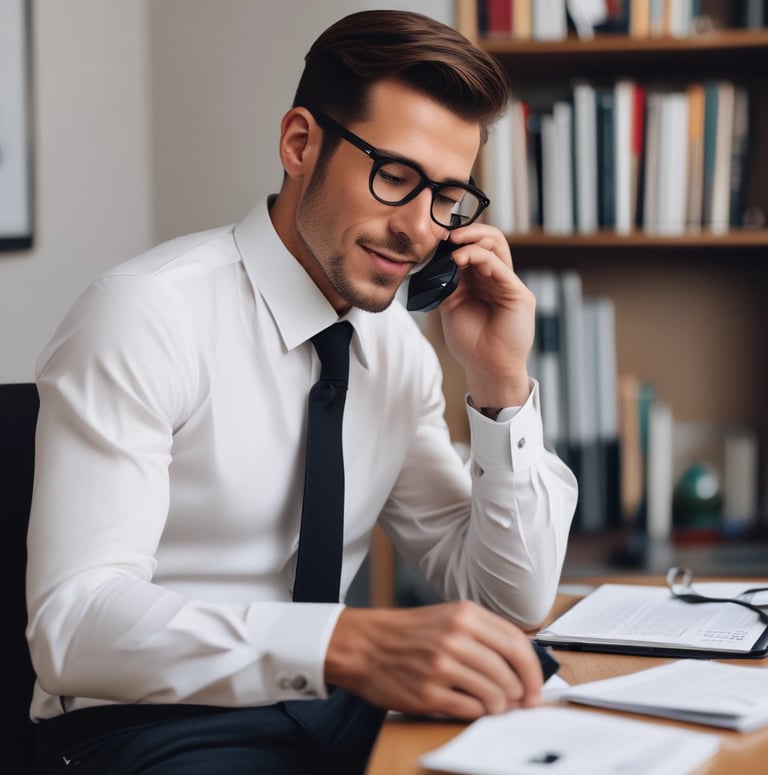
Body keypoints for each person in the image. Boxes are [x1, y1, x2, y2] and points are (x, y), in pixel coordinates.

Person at [26, 9, 577, 774]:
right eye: (395, 176)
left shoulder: (396, 349)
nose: (421, 230)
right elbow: (73, 625)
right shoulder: (144, 315)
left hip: (331, 706)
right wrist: (343, 640)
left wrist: (499, 384)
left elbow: (507, 597)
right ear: (299, 144)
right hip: (154, 725)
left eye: (447, 197)